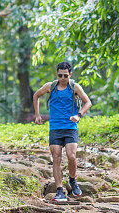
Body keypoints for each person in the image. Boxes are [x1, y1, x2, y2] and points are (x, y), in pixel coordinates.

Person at [33, 61, 92, 202]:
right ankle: (60, 190)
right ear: (57, 74)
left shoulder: (74, 87)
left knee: (72, 156)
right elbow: (36, 96)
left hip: (71, 127)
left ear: (70, 75)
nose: (62, 78)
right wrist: (37, 115)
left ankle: (72, 180)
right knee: (57, 158)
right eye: (60, 75)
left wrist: (78, 115)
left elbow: (88, 102)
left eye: (65, 75)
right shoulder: (50, 87)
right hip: (55, 128)